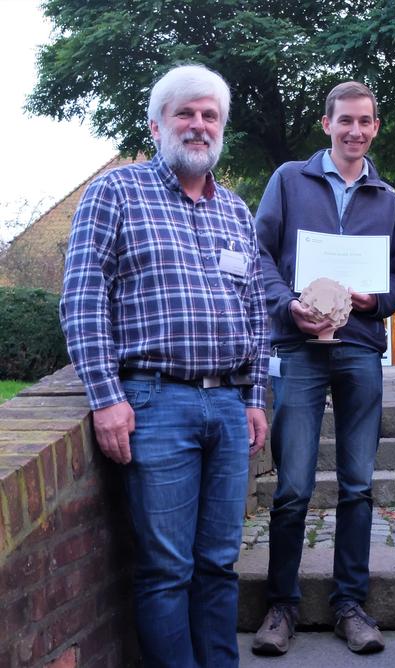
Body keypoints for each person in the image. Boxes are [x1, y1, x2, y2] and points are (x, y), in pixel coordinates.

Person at [59, 64, 270, 667]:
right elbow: (81, 297)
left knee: (219, 564)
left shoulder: (235, 210)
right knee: (167, 569)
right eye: (186, 113)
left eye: (210, 116)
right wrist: (105, 396)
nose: (199, 125)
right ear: (157, 125)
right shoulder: (115, 193)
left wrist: (254, 396)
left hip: (228, 405)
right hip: (154, 402)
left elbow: (254, 310)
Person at [252, 81, 395, 656]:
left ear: (375, 128)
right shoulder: (290, 180)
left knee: (358, 484)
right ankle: (281, 607)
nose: (355, 131)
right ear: (326, 124)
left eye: (365, 122)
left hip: (360, 350)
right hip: (298, 348)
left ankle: (350, 605)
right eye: (345, 120)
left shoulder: (387, 198)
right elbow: (259, 252)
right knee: (291, 486)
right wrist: (283, 305)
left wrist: (375, 301)